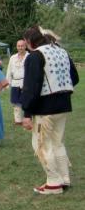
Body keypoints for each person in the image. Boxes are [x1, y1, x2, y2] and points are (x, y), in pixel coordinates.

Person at [21, 26, 79, 195]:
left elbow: (32, 87)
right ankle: (64, 178)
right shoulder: (61, 52)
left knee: (42, 145)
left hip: (45, 109)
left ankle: (54, 183)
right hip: (63, 104)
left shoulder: (35, 56)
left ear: (29, 41)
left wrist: (26, 113)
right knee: (57, 142)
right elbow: (74, 77)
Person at [6, 40, 29, 125]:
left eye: (22, 46)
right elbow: (9, 71)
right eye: (18, 46)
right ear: (16, 47)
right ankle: (18, 120)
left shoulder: (29, 56)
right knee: (16, 102)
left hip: (25, 81)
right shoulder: (13, 57)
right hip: (15, 82)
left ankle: (28, 118)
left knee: (26, 101)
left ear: (25, 46)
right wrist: (8, 83)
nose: (20, 48)